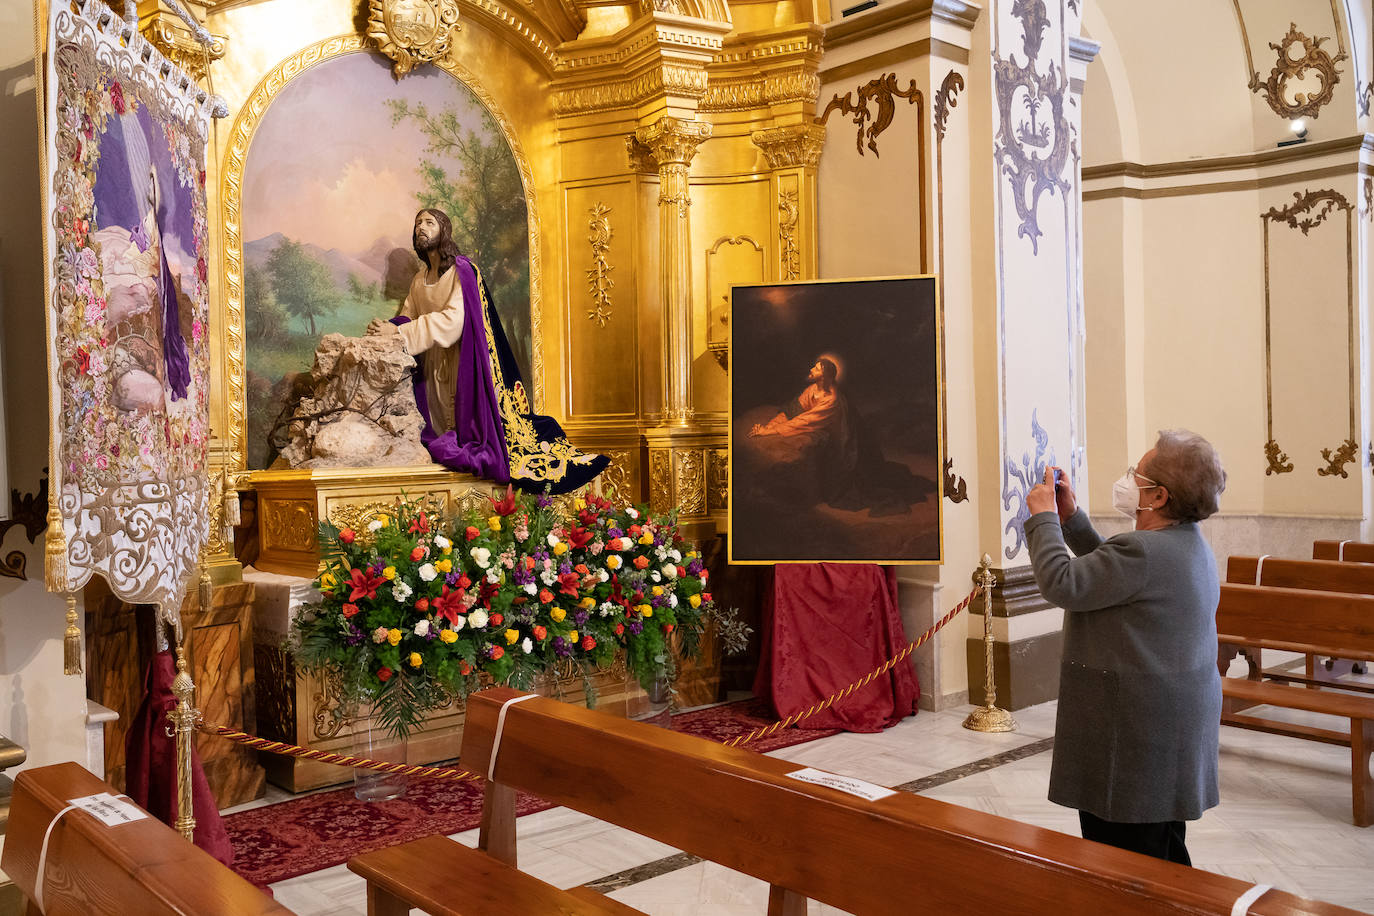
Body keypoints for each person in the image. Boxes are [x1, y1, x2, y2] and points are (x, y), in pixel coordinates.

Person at [1023, 429, 1227, 865]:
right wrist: (1072, 519)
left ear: (1157, 496)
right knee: (1163, 847)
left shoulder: (1144, 551)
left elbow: (1064, 584)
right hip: (1168, 726)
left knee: (1124, 860)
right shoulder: (1183, 543)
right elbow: (1114, 574)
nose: (1128, 479)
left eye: (1137, 473)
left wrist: (1042, 519)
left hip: (1134, 734)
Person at [367, 208, 606, 494]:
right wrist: (390, 327)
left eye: (429, 222)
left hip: (461, 360)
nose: (421, 228)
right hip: (431, 363)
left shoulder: (462, 271)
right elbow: (409, 314)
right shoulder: (420, 279)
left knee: (462, 424)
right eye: (418, 223)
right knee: (440, 422)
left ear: (444, 230)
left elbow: (454, 322)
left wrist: (401, 332)